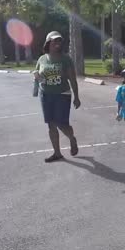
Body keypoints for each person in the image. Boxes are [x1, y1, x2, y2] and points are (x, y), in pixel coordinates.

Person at [33, 31, 81, 163]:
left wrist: (76, 97)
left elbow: (72, 79)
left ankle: (72, 138)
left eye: (59, 41)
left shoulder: (65, 59)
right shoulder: (42, 59)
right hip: (46, 95)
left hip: (62, 94)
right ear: (48, 42)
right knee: (51, 124)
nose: (57, 43)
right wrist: (36, 86)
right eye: (55, 41)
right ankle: (57, 153)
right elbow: (38, 76)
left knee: (62, 124)